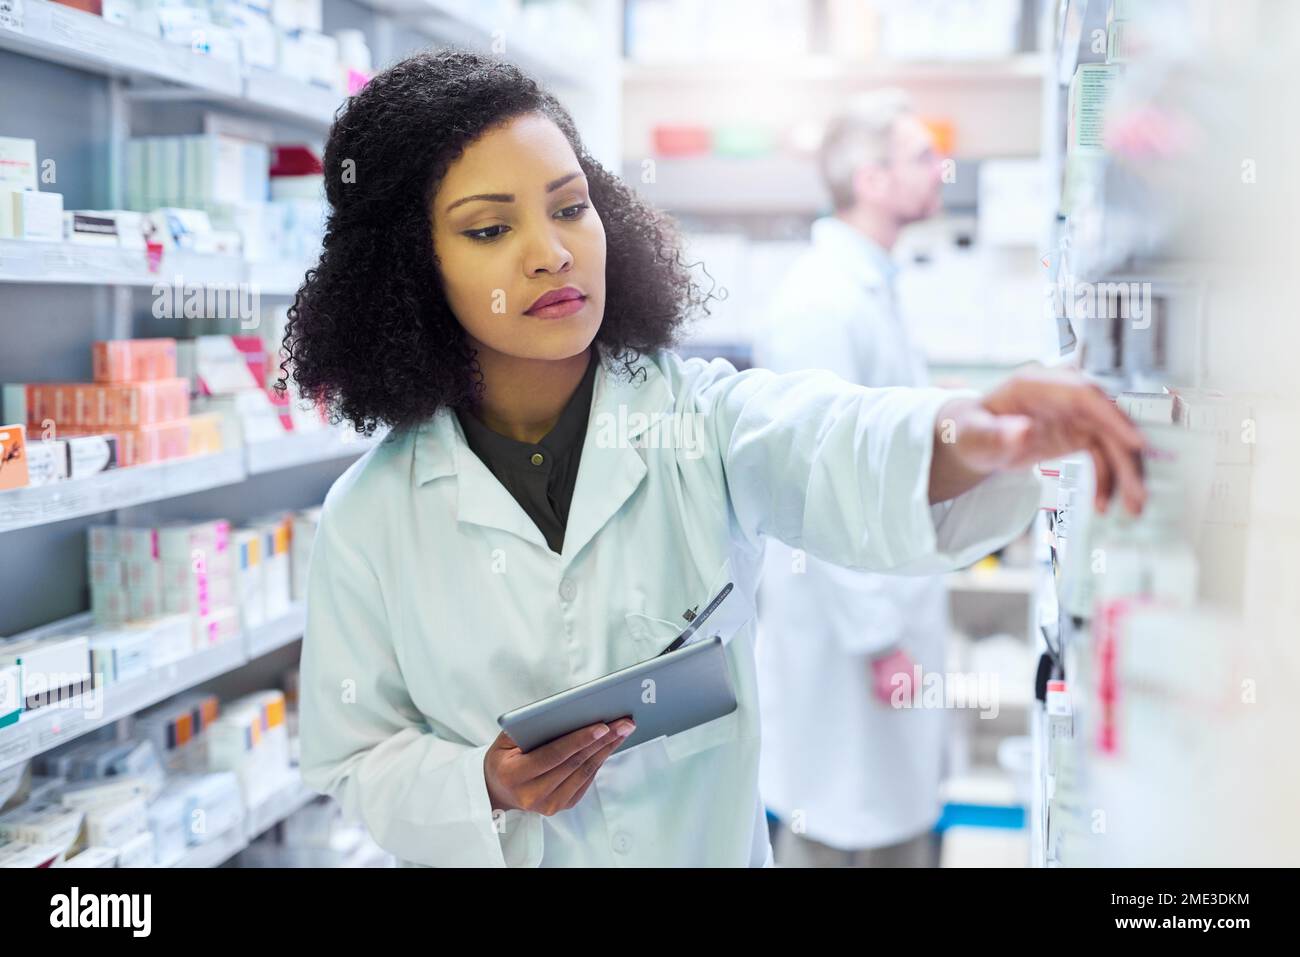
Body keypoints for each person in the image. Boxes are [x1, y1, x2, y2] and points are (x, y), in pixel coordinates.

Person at [283, 50, 1146, 868]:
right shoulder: (371, 515)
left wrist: (979, 430)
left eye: (570, 206)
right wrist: (485, 783)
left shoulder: (699, 418)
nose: (548, 250)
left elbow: (834, 440)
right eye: (489, 228)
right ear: (409, 269)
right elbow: (353, 759)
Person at [754, 90, 961, 867]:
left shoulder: (871, 287)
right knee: (832, 825)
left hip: (881, 610)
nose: (939, 169)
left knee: (882, 820)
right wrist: (880, 640)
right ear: (870, 180)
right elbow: (822, 486)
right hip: (850, 631)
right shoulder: (822, 303)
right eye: (919, 156)